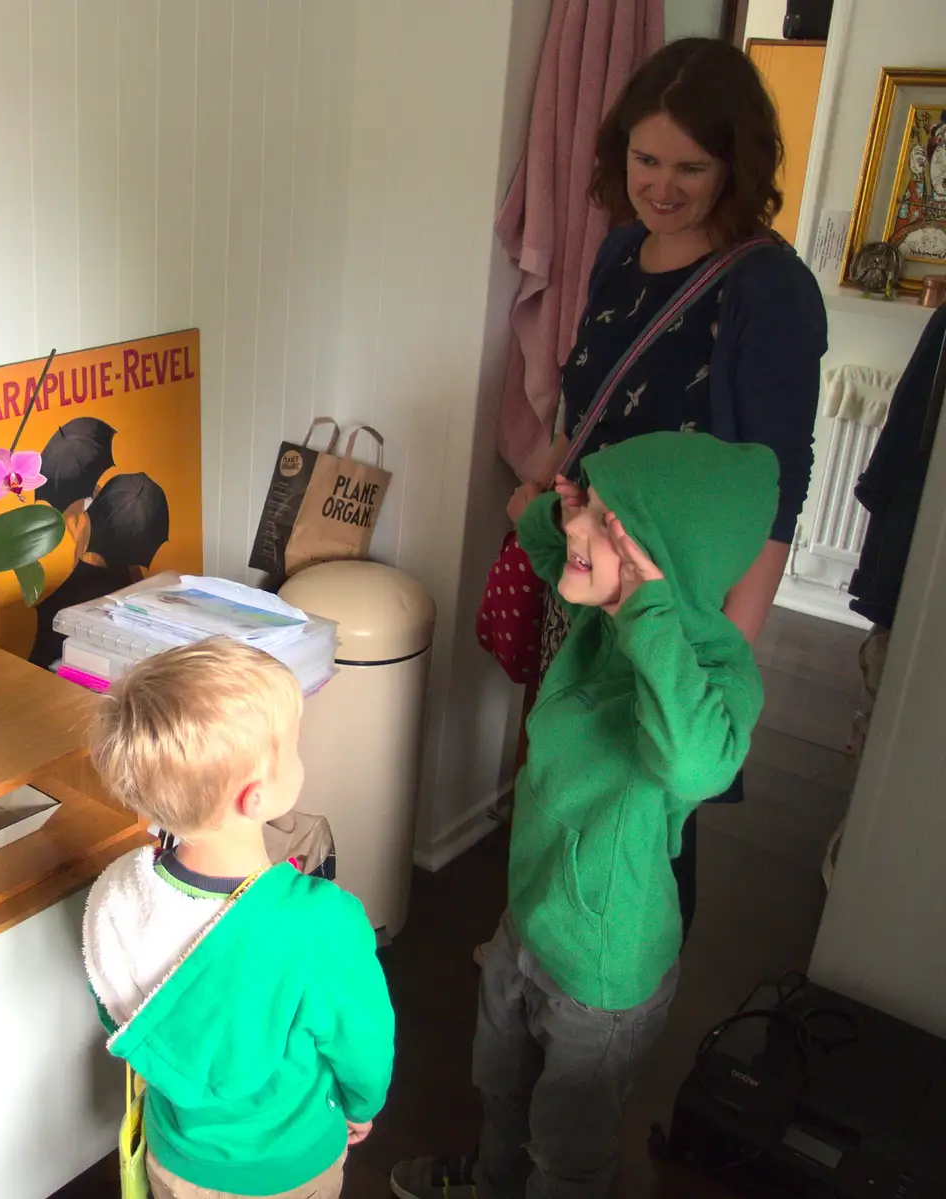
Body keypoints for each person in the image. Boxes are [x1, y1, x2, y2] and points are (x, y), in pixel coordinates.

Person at [492, 36, 826, 966]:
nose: (662, 186)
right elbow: (590, 398)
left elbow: (777, 485)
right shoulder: (620, 252)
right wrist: (548, 483)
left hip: (668, 593)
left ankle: (627, 990)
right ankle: (542, 947)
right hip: (585, 558)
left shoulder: (772, 291)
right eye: (645, 159)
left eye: (692, 166)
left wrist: (729, 641)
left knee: (651, 791)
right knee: (569, 761)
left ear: (737, 167)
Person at [392, 431, 779, 1199]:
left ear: (664, 565)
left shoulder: (710, 672)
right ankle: (495, 1180)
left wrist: (649, 613)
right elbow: (544, 544)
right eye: (588, 509)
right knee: (501, 1081)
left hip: (603, 967)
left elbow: (697, 763)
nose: (577, 528)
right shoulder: (606, 618)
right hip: (533, 915)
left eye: (607, 522)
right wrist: (571, 510)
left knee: (569, 1143)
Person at [82, 639, 394, 1199]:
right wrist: (362, 1104)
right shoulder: (324, 922)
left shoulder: (118, 894)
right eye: (294, 747)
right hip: (290, 1168)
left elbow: (123, 1017)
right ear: (255, 798)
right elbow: (362, 1039)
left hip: (177, 1159)